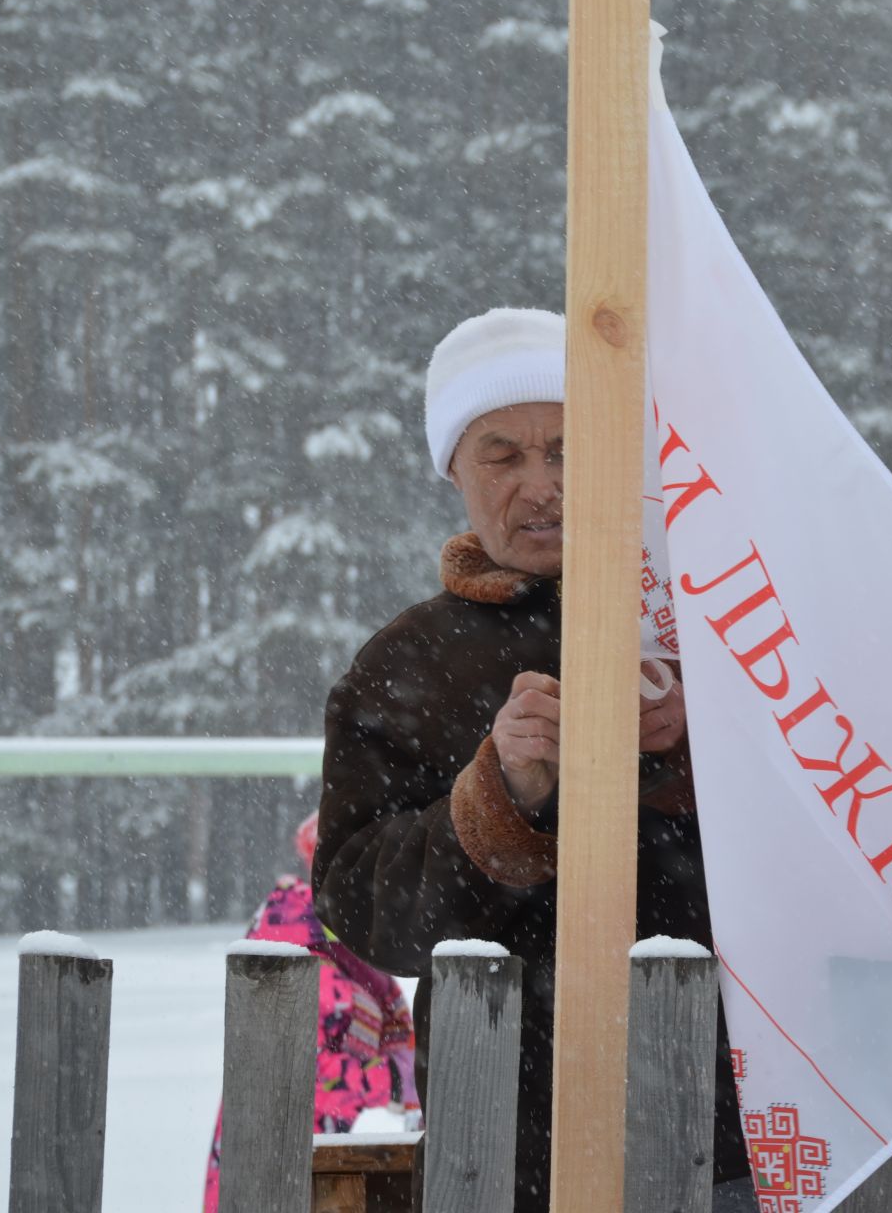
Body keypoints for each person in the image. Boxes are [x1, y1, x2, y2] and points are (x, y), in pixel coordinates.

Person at [310, 307, 751, 1212]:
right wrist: (499, 796)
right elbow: (361, 908)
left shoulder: (722, 615)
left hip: (727, 1117)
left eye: (567, 447)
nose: (542, 484)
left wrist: (699, 749)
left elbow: (829, 830)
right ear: (454, 474)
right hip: (502, 1134)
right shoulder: (406, 662)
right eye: (503, 455)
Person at [202, 812, 421, 1213]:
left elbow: (398, 1034)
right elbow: (297, 1074)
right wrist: (388, 1079)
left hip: (312, 1168)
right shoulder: (296, 951)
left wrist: (409, 1072)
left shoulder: (354, 959)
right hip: (266, 1174)